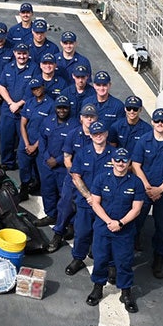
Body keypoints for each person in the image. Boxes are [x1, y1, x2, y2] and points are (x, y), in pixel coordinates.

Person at [87, 148, 145, 313]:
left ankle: (126, 293)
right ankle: (98, 288)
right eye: (118, 160)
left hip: (124, 231)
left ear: (129, 163)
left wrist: (120, 223)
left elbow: (137, 208)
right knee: (100, 259)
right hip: (103, 229)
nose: (121, 163)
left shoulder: (136, 182)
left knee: (124, 262)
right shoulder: (101, 179)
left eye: (124, 160)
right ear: (112, 161)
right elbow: (96, 203)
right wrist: (109, 222)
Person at [130, 108, 163, 278]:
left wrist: (160, 189)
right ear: (152, 122)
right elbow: (136, 165)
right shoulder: (143, 141)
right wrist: (147, 187)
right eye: (157, 121)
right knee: (135, 221)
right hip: (144, 190)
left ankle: (159, 258)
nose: (160, 124)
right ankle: (131, 248)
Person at [64, 120, 113, 278]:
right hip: (86, 203)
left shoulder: (115, 154)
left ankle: (109, 264)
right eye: (95, 133)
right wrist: (89, 196)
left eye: (101, 133)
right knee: (82, 232)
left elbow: (120, 176)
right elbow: (76, 176)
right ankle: (78, 258)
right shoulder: (83, 153)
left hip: (106, 204)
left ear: (106, 133)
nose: (98, 136)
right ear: (90, 135)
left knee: (105, 236)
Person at [49, 103, 100, 252]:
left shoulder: (99, 136)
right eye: (86, 116)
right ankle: (58, 233)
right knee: (65, 206)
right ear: (81, 118)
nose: (89, 119)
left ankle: (90, 242)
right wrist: (75, 175)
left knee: (93, 211)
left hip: (92, 180)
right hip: (73, 179)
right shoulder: (73, 134)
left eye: (92, 117)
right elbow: (67, 158)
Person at [34, 95, 75, 229]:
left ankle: (69, 223)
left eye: (65, 108)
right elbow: (42, 140)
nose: (62, 110)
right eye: (59, 107)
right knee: (47, 191)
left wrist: (57, 160)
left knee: (65, 197)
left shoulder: (74, 126)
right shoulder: (48, 121)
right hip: (47, 165)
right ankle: (51, 215)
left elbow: (75, 149)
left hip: (64, 168)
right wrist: (47, 157)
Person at [0, 42, 37, 170]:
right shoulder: (8, 67)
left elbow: (34, 90)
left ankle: (27, 168)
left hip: (24, 111)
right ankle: (7, 163)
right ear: (14, 53)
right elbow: (2, 86)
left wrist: (19, 104)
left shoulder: (34, 68)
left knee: (25, 141)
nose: (22, 56)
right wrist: (10, 103)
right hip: (8, 110)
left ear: (28, 54)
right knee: (5, 136)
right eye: (19, 53)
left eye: (24, 54)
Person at [17, 79, 55, 199]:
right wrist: (27, 143)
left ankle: (41, 188)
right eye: (33, 89)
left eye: (38, 87)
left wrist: (35, 146)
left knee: (42, 170)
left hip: (42, 142)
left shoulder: (51, 104)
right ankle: (24, 187)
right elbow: (23, 124)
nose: (36, 90)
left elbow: (49, 128)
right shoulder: (29, 103)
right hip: (27, 139)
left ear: (43, 87)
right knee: (23, 166)